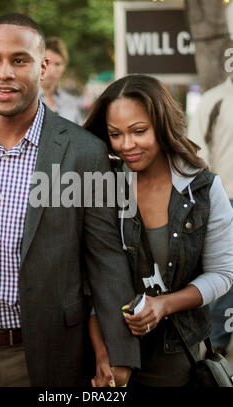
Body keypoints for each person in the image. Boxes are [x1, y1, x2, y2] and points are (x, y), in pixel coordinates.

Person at [0, 13, 140, 387]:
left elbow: (106, 256)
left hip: (46, 356)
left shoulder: (85, 152)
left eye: (20, 60)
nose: (4, 73)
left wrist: (118, 350)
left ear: (43, 67)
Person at [84, 74, 233, 387]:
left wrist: (164, 304)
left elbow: (223, 274)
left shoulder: (204, 189)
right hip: (106, 352)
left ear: (163, 126)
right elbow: (88, 278)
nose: (127, 145)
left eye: (139, 131)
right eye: (115, 134)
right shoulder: (102, 186)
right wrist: (103, 353)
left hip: (176, 356)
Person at [188, 76, 233, 356]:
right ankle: (215, 341)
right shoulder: (213, 100)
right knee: (225, 274)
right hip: (225, 198)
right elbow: (196, 154)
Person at [40, 36, 83, 124]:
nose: (52, 70)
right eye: (47, 62)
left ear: (64, 67)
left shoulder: (71, 102)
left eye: (57, 64)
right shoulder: (25, 101)